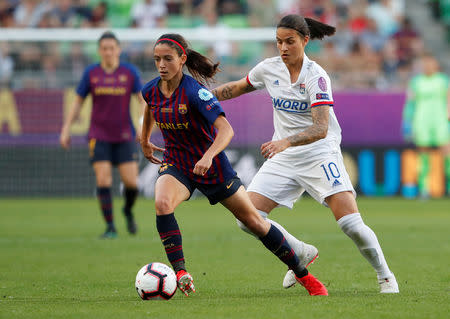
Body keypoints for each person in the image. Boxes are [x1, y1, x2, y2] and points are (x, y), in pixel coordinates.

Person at [211, 14, 399, 294]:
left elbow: (321, 128)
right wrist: (200, 98)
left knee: (351, 224)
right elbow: (236, 88)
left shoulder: (317, 77)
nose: (283, 48)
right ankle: (300, 251)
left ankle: (385, 276)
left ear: (305, 41)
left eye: (290, 42)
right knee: (247, 218)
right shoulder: (269, 69)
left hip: (318, 154)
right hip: (284, 156)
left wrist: (285, 142)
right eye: (278, 42)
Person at [140, 33, 328, 296]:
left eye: (168, 59)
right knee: (162, 204)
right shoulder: (150, 89)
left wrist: (208, 156)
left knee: (255, 222)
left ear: (182, 59)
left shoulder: (195, 93)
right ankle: (181, 273)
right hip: (178, 164)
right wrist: (145, 139)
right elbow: (150, 107)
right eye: (157, 59)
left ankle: (304, 276)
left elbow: (226, 130)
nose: (161, 65)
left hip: (213, 167)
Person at [60, 31, 145, 239]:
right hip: (98, 135)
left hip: (125, 135)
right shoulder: (91, 73)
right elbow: (78, 102)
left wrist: (143, 125)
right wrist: (66, 128)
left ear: (118, 50)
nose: (108, 52)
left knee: (132, 184)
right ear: (99, 51)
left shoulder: (129, 72)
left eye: (111, 48)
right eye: (104, 49)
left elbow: (142, 101)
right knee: (103, 180)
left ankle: (127, 210)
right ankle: (110, 227)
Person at [402, 53, 450, 196]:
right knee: (423, 156)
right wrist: (407, 122)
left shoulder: (443, 81)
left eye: (430, 63)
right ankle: (424, 189)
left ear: (436, 65)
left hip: (440, 121)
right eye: (425, 64)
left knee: (447, 153)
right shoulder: (416, 82)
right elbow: (410, 103)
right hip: (421, 121)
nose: (428, 66)